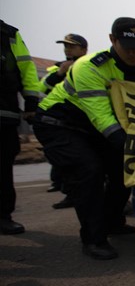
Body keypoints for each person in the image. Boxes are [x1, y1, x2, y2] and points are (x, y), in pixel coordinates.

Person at [33, 17, 135, 260]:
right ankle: (93, 239)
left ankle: (112, 222)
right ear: (112, 40)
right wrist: (130, 145)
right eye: (128, 47)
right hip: (62, 124)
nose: (134, 54)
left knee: (123, 171)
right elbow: (101, 116)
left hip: (94, 130)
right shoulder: (89, 66)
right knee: (89, 171)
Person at [0, 20, 43, 235]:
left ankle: (3, 216)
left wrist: (31, 101)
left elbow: (26, 68)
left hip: (4, 111)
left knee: (3, 166)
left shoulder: (8, 34)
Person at [41, 33, 89, 208]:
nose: (68, 49)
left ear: (83, 49)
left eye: (72, 46)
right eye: (66, 46)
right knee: (67, 163)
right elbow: (42, 88)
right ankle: (70, 195)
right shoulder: (56, 68)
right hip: (63, 120)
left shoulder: (91, 66)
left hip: (85, 120)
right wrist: (60, 72)